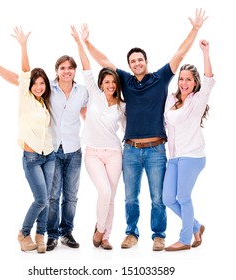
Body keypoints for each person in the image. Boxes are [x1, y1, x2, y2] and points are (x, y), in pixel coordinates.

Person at [80, 8, 208, 251]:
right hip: (129, 150)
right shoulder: (126, 81)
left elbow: (179, 55)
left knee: (158, 198)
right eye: (132, 61)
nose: (136, 63)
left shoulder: (160, 78)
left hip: (156, 150)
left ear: (146, 62)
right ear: (129, 65)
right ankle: (131, 233)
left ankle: (158, 235)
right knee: (130, 197)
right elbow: (104, 61)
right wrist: (87, 42)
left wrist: (195, 29)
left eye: (140, 60)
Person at [0, 30, 88, 251]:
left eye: (70, 68)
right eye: (62, 68)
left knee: (71, 196)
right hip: (50, 151)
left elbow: (88, 112)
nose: (66, 71)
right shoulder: (47, 88)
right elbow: (20, 78)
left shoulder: (81, 92)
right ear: (57, 71)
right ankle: (50, 234)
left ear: (74, 71)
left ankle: (66, 232)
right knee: (50, 196)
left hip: (73, 150)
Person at [71, 26, 126, 250]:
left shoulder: (122, 106)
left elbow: (128, 129)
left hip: (114, 153)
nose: (110, 85)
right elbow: (86, 67)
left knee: (111, 196)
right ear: (101, 83)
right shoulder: (93, 93)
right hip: (93, 152)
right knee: (104, 191)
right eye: (107, 82)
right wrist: (80, 42)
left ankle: (104, 236)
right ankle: (100, 229)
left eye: (113, 83)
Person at [162, 39, 215, 251]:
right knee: (167, 198)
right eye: (181, 79)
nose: (184, 83)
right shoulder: (171, 99)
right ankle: (196, 226)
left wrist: (205, 52)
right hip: (174, 156)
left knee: (183, 197)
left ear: (195, 83)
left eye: (189, 80)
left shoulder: (198, 99)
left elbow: (210, 79)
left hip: (192, 156)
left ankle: (185, 239)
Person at [11, 26, 55, 253]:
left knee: (46, 198)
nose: (39, 87)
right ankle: (23, 233)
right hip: (31, 157)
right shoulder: (26, 97)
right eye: (36, 83)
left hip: (49, 156)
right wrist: (23, 45)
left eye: (42, 83)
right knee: (41, 199)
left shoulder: (43, 103)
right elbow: (24, 72)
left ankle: (41, 235)